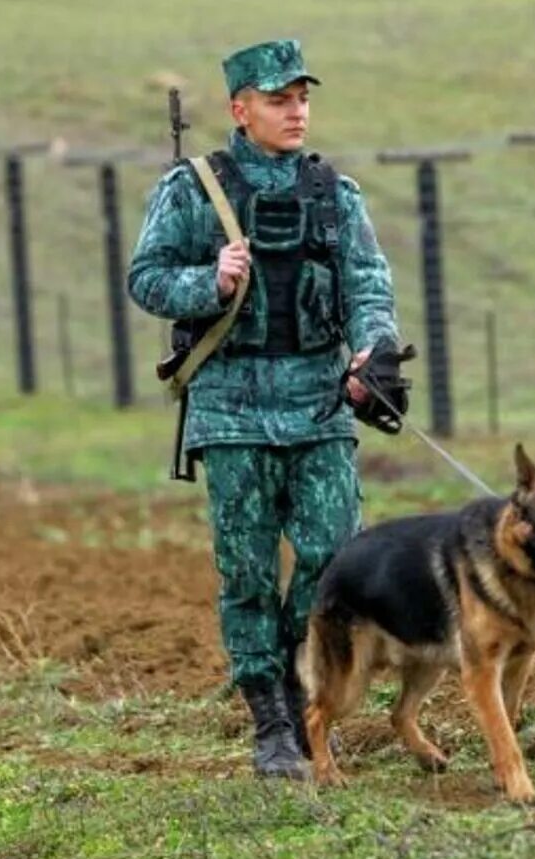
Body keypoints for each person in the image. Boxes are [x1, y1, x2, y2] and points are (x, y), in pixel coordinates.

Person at [128, 39, 402, 781]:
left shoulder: (334, 194)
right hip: (230, 409)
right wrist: (209, 282)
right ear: (239, 108)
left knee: (333, 559)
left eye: (303, 98)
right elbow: (146, 278)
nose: (297, 111)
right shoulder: (193, 189)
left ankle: (306, 691)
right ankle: (274, 720)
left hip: (318, 405)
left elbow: (369, 286)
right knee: (246, 571)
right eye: (280, 99)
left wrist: (372, 354)